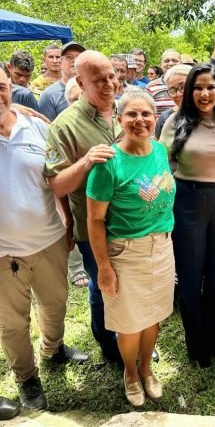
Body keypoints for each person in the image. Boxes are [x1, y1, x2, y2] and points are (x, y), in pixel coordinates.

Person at [0, 67, 88, 412]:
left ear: (11, 88)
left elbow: (56, 176)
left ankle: (53, 349)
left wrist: (67, 223)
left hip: (49, 238)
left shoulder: (37, 126)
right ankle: (26, 377)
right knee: (13, 320)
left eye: (1, 87)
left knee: (55, 303)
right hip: (4, 252)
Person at [87, 88, 176, 406]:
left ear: (155, 117)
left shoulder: (159, 150)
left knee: (153, 317)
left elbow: (162, 194)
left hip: (163, 248)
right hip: (125, 252)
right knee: (129, 324)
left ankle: (148, 367)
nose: (140, 120)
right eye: (132, 114)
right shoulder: (108, 164)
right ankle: (130, 372)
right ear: (119, 119)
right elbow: (95, 220)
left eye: (146, 114)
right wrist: (104, 268)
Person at [45, 51, 123, 364]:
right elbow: (57, 184)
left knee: (128, 286)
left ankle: (130, 338)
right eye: (98, 80)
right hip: (93, 229)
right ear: (80, 82)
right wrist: (86, 161)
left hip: (134, 224)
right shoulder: (62, 127)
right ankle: (109, 344)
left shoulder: (127, 112)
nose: (108, 84)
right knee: (105, 287)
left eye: (111, 76)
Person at [160, 64, 215, 367]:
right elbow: (162, 164)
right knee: (191, 277)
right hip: (187, 200)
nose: (204, 94)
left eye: (210, 87)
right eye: (198, 87)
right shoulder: (175, 121)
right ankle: (196, 342)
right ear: (189, 90)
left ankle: (214, 334)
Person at [63, 77, 89, 288]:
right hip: (75, 198)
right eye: (73, 99)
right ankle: (76, 268)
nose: (78, 102)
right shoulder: (63, 127)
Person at [39, 41, 86, 121]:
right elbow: (46, 129)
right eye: (69, 57)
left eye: (78, 57)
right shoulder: (49, 95)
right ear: (60, 63)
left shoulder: (92, 90)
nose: (74, 60)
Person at [154, 64, 191, 140]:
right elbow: (159, 149)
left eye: (183, 87)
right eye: (172, 90)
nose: (178, 94)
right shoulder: (165, 118)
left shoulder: (211, 115)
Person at [146, 49, 182, 115]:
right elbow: (146, 111)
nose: (171, 63)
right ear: (161, 64)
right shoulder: (151, 86)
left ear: (181, 63)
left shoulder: (188, 84)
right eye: (166, 61)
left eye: (175, 61)